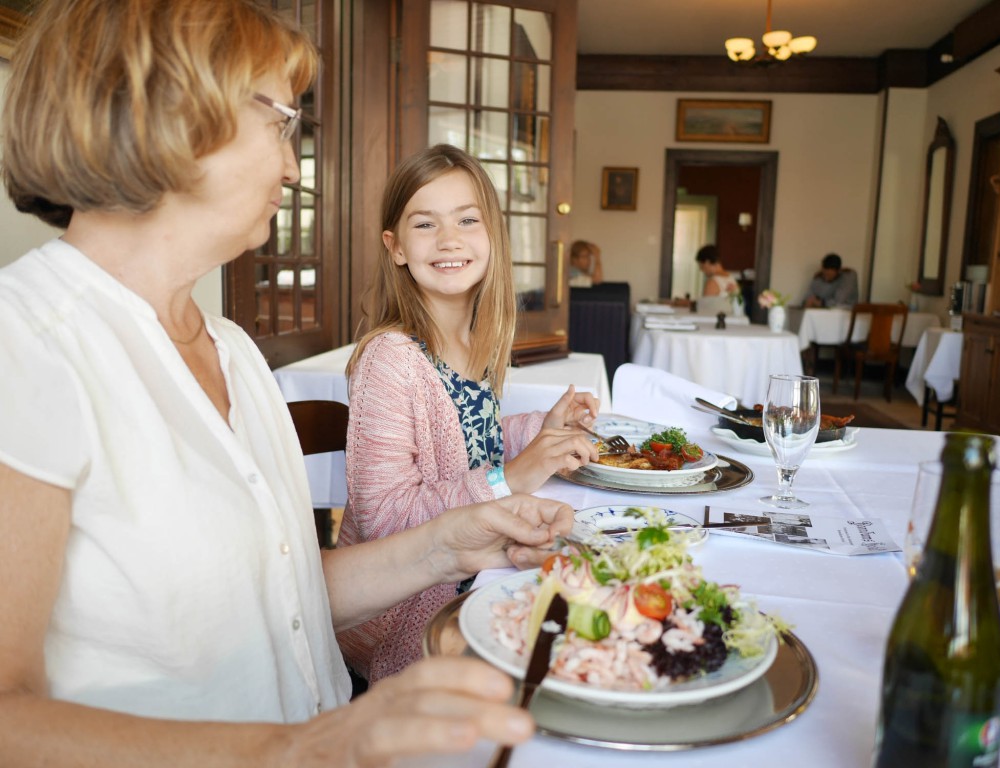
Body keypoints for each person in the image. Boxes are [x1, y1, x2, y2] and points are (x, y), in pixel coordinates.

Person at [0, 2, 576, 765]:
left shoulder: (232, 350)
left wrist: (450, 546)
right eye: (280, 120)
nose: (292, 165)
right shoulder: (27, 346)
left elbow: (285, 597)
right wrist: (296, 749)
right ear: (169, 110)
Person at [338, 144, 600, 683]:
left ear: (491, 237)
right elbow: (383, 519)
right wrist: (514, 475)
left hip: (474, 574)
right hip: (406, 617)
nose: (450, 239)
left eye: (466, 220)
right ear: (396, 248)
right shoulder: (391, 358)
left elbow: (466, 442)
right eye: (425, 224)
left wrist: (539, 431)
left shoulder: (472, 340)